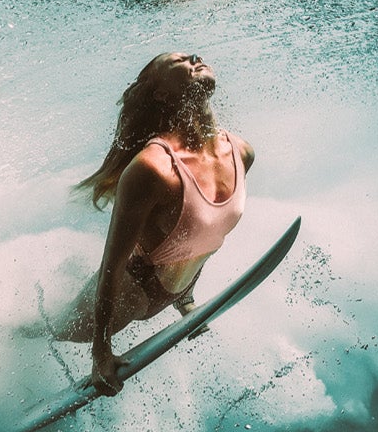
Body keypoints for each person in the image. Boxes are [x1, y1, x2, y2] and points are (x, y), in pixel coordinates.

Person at [62, 52, 255, 395]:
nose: (195, 57)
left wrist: (185, 300)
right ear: (163, 94)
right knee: (53, 330)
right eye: (179, 60)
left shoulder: (241, 152)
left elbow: (201, 233)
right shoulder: (153, 169)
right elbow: (111, 265)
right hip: (127, 296)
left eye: (194, 54)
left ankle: (184, 299)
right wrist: (101, 353)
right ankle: (1, 332)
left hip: (176, 290)